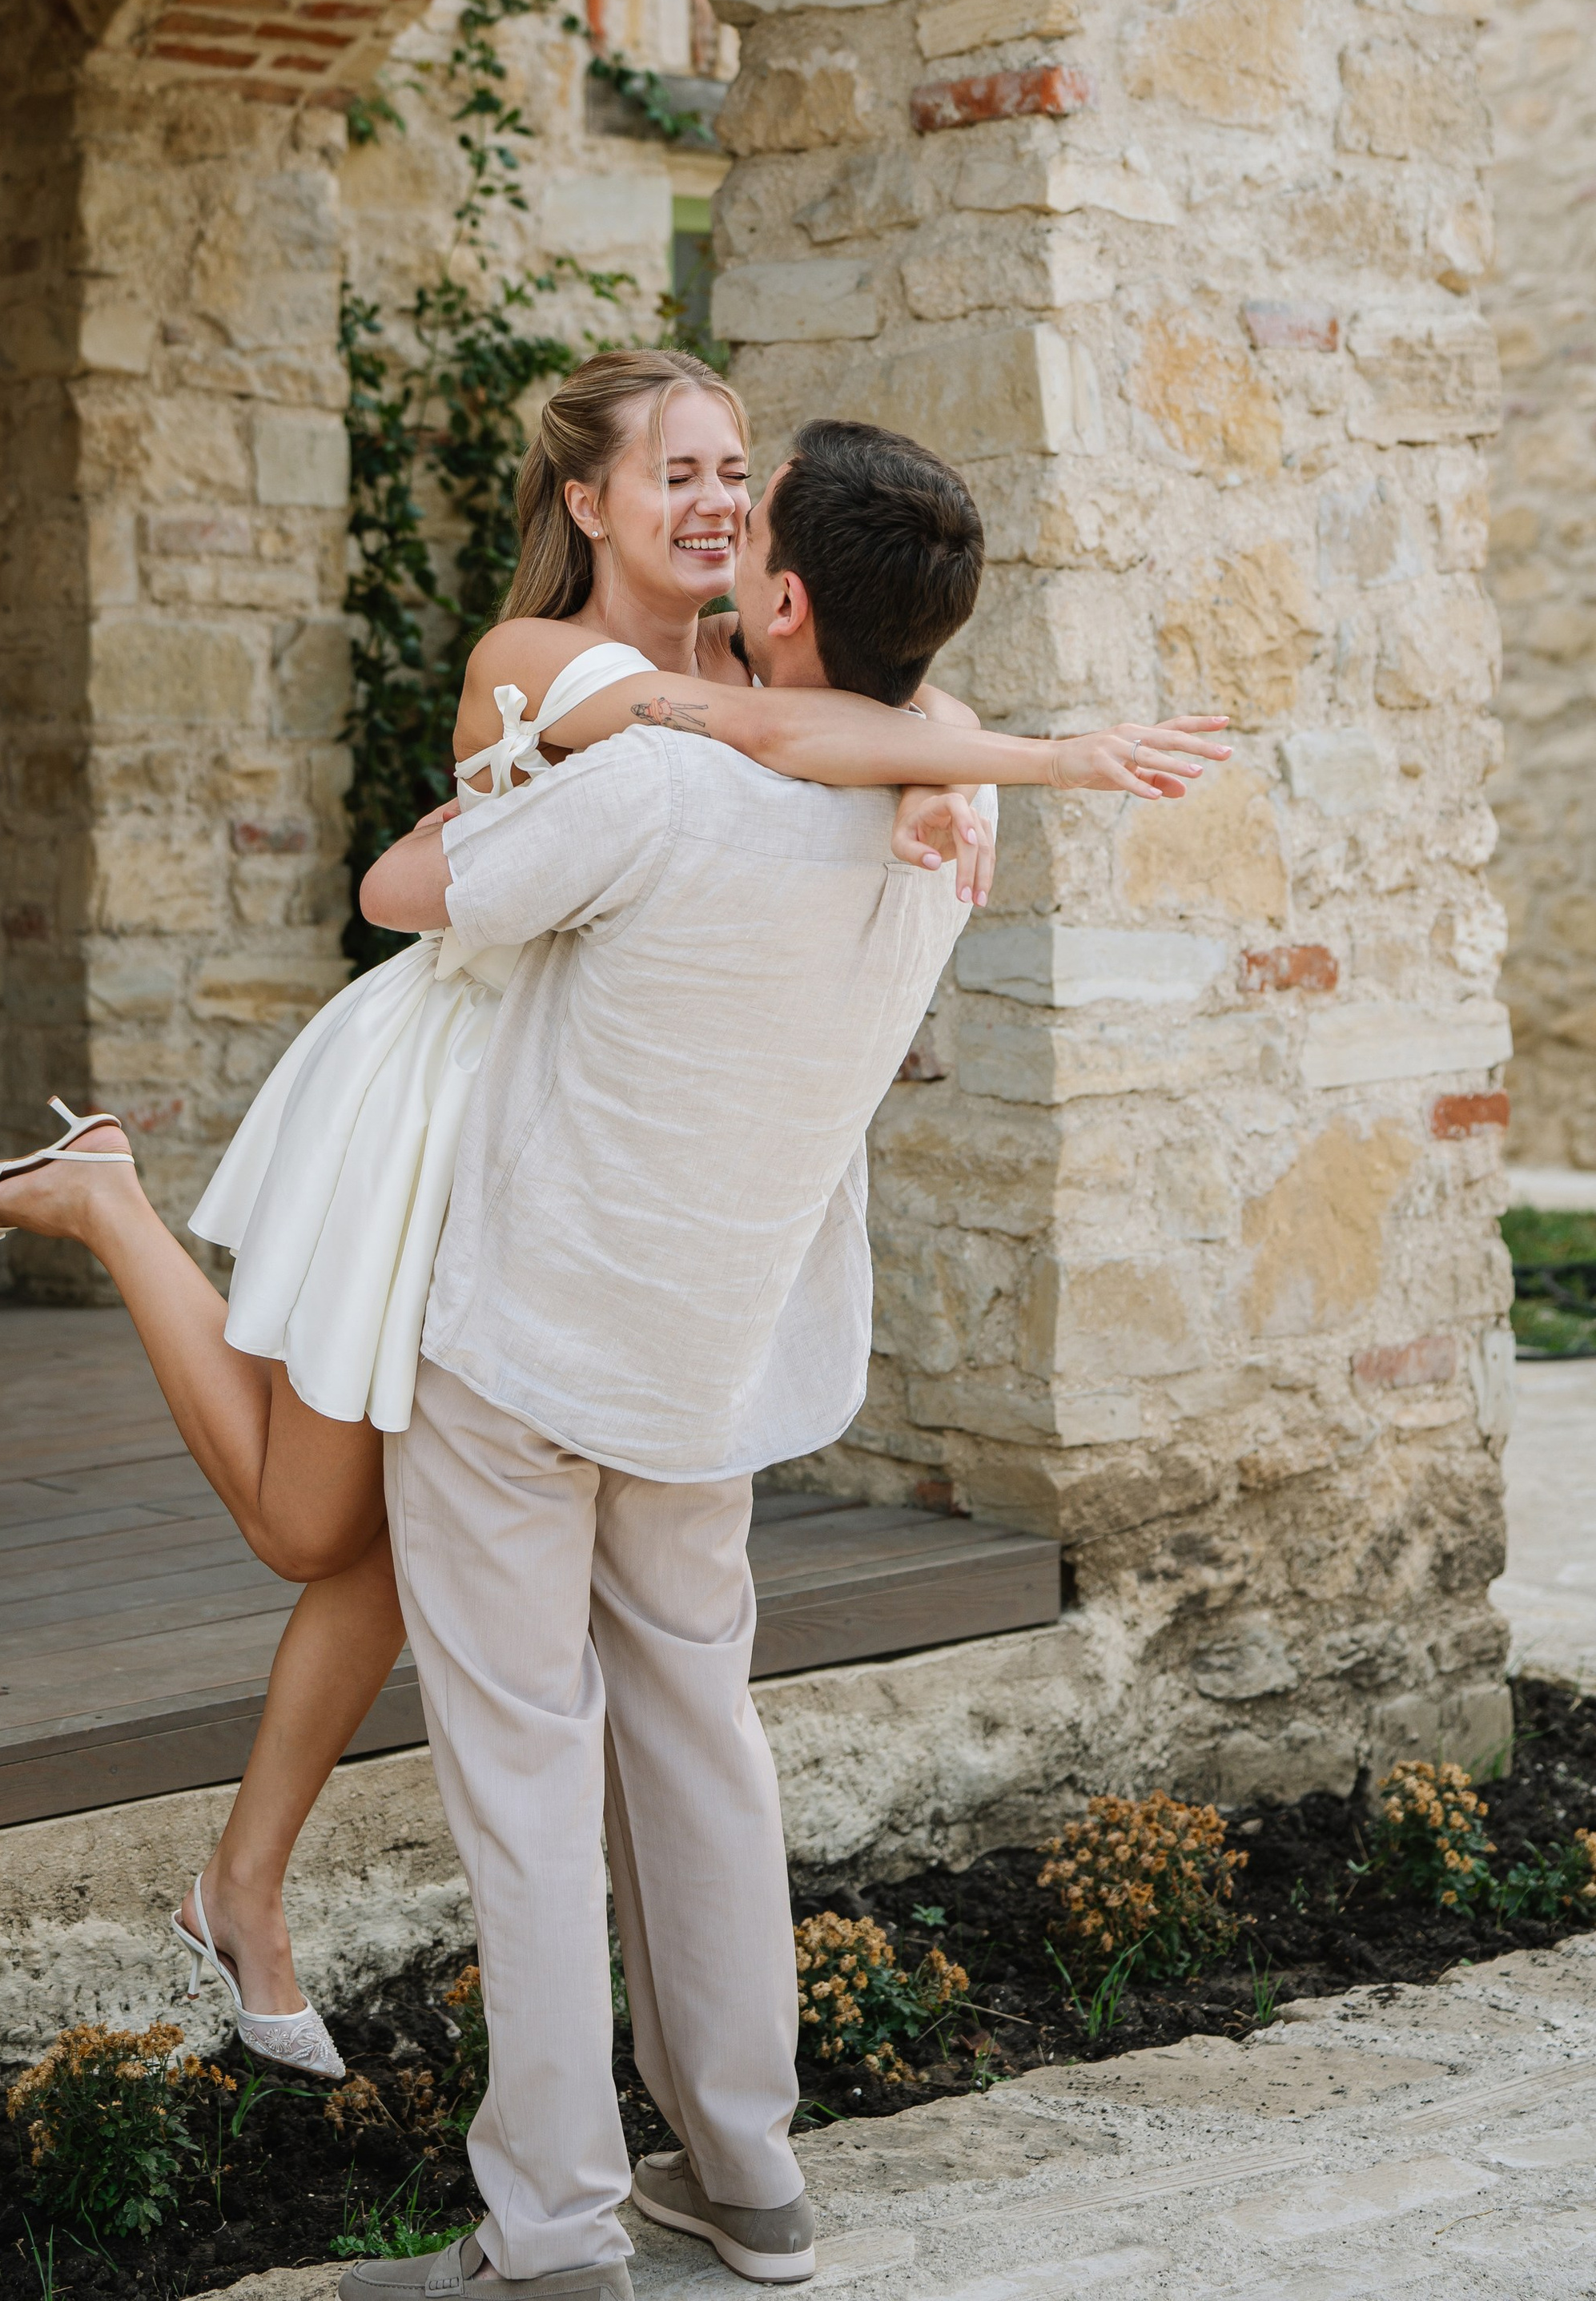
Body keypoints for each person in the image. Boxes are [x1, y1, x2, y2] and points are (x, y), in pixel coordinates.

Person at [0, 352, 1224, 2086]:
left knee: (393, 1540)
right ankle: (107, 1202)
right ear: (584, 503)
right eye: (674, 472)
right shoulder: (546, 664)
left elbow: (823, 704)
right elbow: (781, 738)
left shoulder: (738, 652)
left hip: (552, 1145)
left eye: (730, 474)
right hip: (441, 1110)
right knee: (309, 1519)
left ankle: (242, 1886)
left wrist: (925, 759)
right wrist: (1010, 754)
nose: (711, 498)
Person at [334, 416, 1225, 2301]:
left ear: (788, 596)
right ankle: (746, 2178)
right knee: (699, 1741)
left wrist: (483, 798)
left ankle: (553, 2230)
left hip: (523, 1345)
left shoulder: (660, 784)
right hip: (707, 1361)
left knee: (522, 1778)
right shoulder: (938, 834)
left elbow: (406, 897)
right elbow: (865, 736)